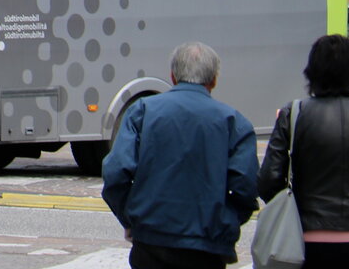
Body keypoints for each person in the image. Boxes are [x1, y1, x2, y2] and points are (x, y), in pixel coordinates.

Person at [102, 42, 258, 269]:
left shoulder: (142, 111)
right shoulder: (234, 122)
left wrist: (131, 218)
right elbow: (247, 185)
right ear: (213, 80)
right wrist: (226, 221)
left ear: (173, 77)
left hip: (150, 239)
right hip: (207, 246)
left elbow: (116, 173)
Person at [258, 34, 349, 269]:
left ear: (312, 72)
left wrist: (293, 216)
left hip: (308, 244)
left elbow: (268, 181)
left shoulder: (294, 114)